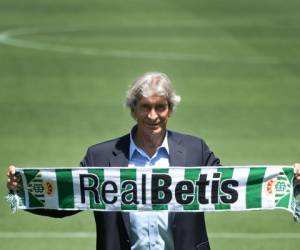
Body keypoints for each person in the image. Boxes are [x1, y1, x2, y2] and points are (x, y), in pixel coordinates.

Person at [6, 72, 300, 250]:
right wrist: (24, 190)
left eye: (160, 107)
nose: (153, 116)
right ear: (133, 110)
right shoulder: (101, 156)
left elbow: (233, 187)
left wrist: (289, 180)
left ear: (170, 109)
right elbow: (68, 197)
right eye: (145, 107)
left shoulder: (195, 151)